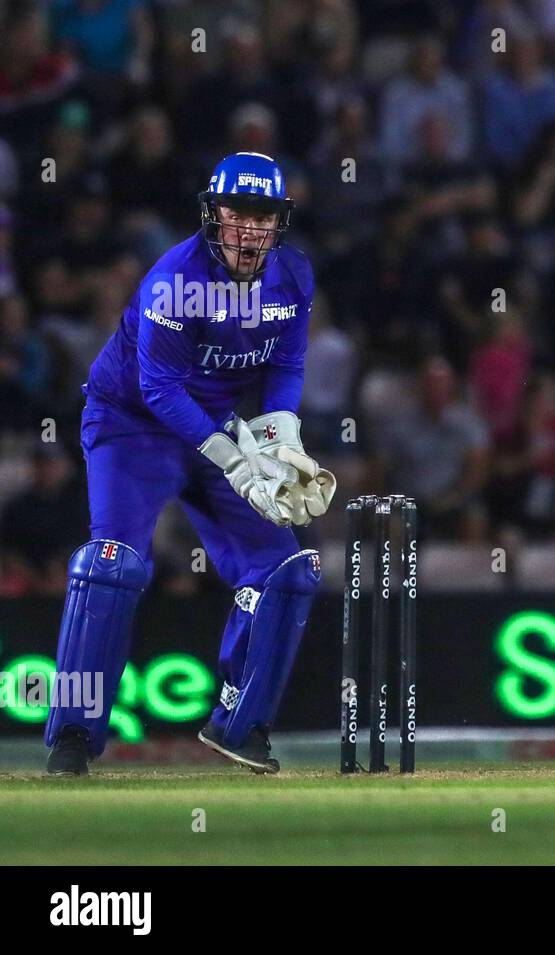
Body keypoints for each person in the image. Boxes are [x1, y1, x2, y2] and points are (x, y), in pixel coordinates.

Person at [44, 152, 335, 777]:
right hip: (132, 423)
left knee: (289, 570)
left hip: (215, 425)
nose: (250, 230)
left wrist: (283, 433)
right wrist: (234, 460)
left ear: (280, 221)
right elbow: (159, 391)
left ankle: (241, 725)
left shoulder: (294, 275)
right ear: (212, 215)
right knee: (112, 565)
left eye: (264, 216)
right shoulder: (174, 278)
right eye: (238, 214)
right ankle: (72, 735)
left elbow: (284, 365)